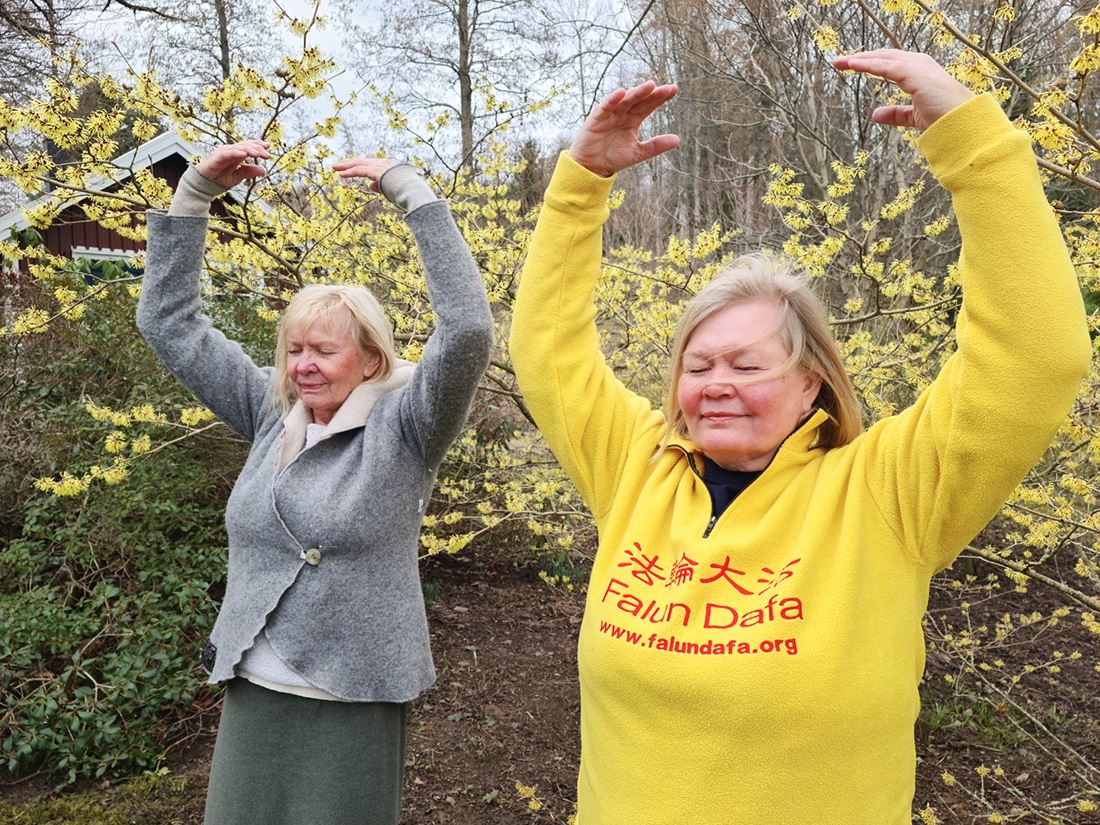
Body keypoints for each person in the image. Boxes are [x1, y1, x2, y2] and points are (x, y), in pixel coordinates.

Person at [509, 49, 1091, 824]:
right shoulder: (635, 469)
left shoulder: (888, 491)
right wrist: (580, 185)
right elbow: (549, 353)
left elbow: (1034, 358)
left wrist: (971, 141)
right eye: (698, 366)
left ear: (810, 382)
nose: (716, 383)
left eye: (747, 365)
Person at [136, 140, 493, 825]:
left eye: (324, 350)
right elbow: (168, 323)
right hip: (253, 689)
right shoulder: (270, 412)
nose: (303, 365)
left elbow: (469, 330)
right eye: (294, 349)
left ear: (370, 360)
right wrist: (195, 196)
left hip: (352, 698)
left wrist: (410, 191)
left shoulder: (408, 426)